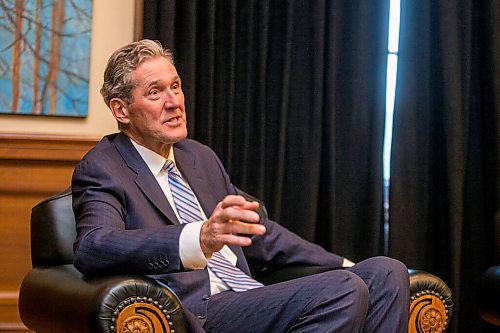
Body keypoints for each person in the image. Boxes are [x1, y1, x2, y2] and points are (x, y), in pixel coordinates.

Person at [71, 39, 410, 333]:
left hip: (248, 295)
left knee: (386, 272)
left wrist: (344, 264)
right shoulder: (104, 166)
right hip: (199, 310)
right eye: (155, 92)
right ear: (121, 110)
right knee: (343, 290)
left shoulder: (198, 156)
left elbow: (260, 233)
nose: (173, 101)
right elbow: (94, 245)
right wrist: (198, 238)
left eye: (175, 86)